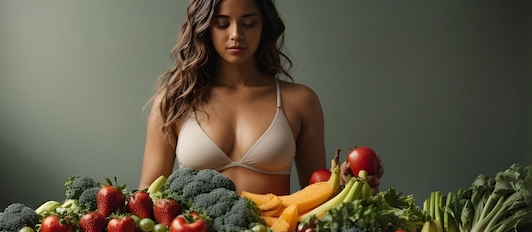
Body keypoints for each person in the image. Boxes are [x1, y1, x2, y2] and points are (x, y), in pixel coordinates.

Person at [139, 0, 383, 196]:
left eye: (249, 23)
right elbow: (147, 195)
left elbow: (316, 193)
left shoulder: (300, 102)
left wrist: (344, 185)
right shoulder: (175, 101)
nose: (236, 34)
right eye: (222, 24)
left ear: (264, 26)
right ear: (205, 28)